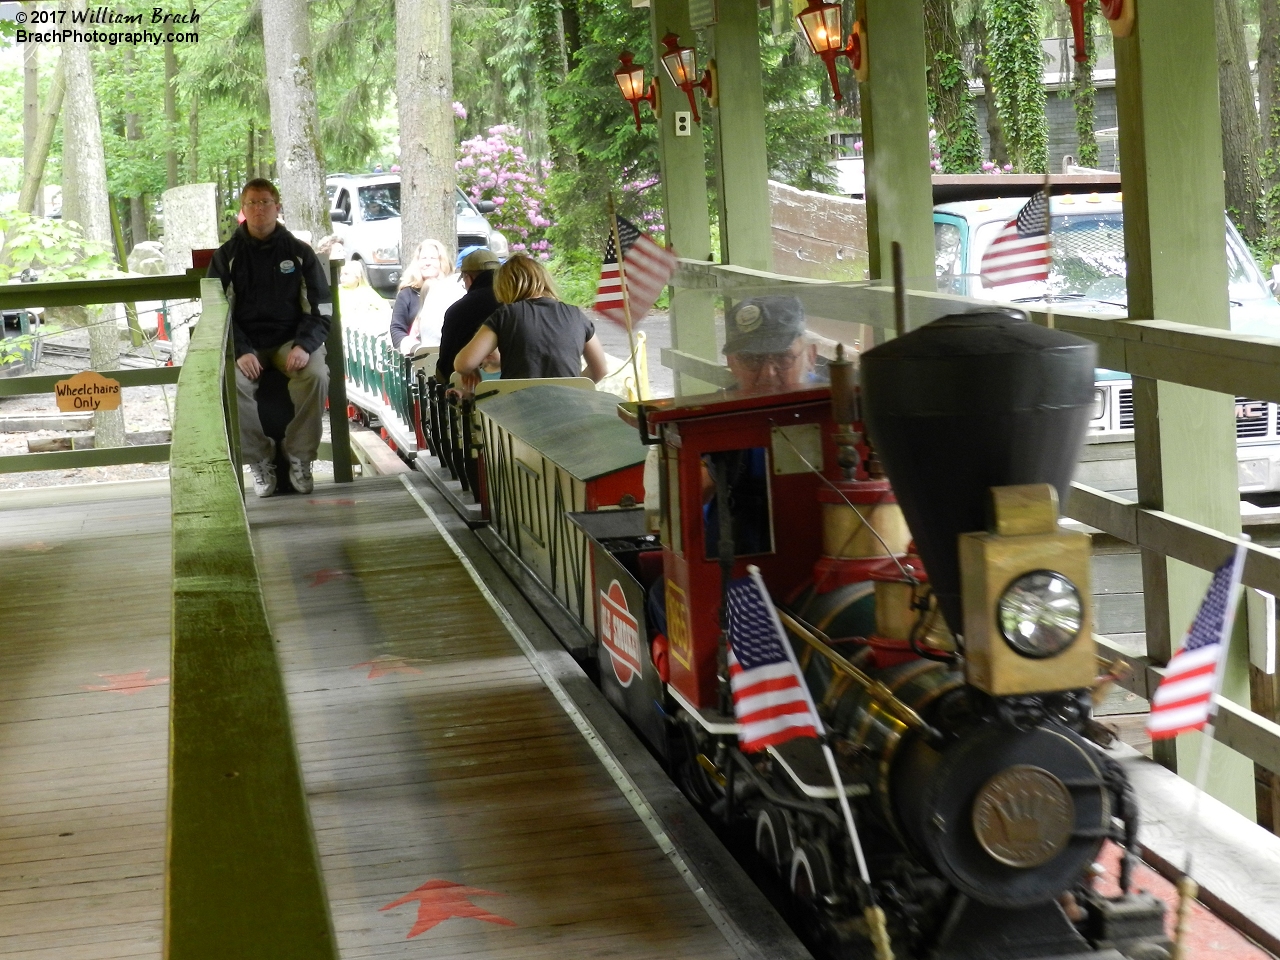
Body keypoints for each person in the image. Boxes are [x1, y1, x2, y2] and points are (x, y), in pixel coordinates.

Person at [207, 178, 331, 498]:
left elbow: (322, 307)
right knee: (230, 382)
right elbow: (215, 312)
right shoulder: (226, 257)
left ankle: (300, 456)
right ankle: (259, 458)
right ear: (243, 211)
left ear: (277, 207)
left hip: (291, 342)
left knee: (316, 374)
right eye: (252, 203)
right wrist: (240, 349)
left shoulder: (300, 253)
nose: (259, 209)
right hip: (246, 345)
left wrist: (305, 345)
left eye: (265, 202)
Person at [453, 254, 609, 391]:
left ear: (504, 286)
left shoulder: (506, 315)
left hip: (519, 413)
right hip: (570, 412)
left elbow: (463, 364)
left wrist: (471, 369)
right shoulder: (576, 314)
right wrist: (570, 386)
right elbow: (600, 369)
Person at [721, 295, 817, 393]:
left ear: (810, 356)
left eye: (782, 357)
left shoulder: (830, 400)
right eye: (751, 359)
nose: (768, 373)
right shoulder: (720, 405)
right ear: (731, 362)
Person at [389, 238, 464, 355]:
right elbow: (397, 328)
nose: (428, 263)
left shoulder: (454, 291)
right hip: (415, 356)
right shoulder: (407, 294)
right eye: (424, 258)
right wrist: (408, 345)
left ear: (441, 262)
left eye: (433, 258)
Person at [437, 248, 501, 381]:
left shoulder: (457, 310)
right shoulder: (515, 303)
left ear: (468, 278)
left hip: (468, 389)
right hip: (516, 387)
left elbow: (445, 365)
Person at [338, 259, 391, 335]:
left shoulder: (366, 291)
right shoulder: (339, 291)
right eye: (341, 274)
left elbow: (385, 308)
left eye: (346, 274)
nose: (342, 277)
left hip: (364, 331)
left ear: (357, 276)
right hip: (344, 329)